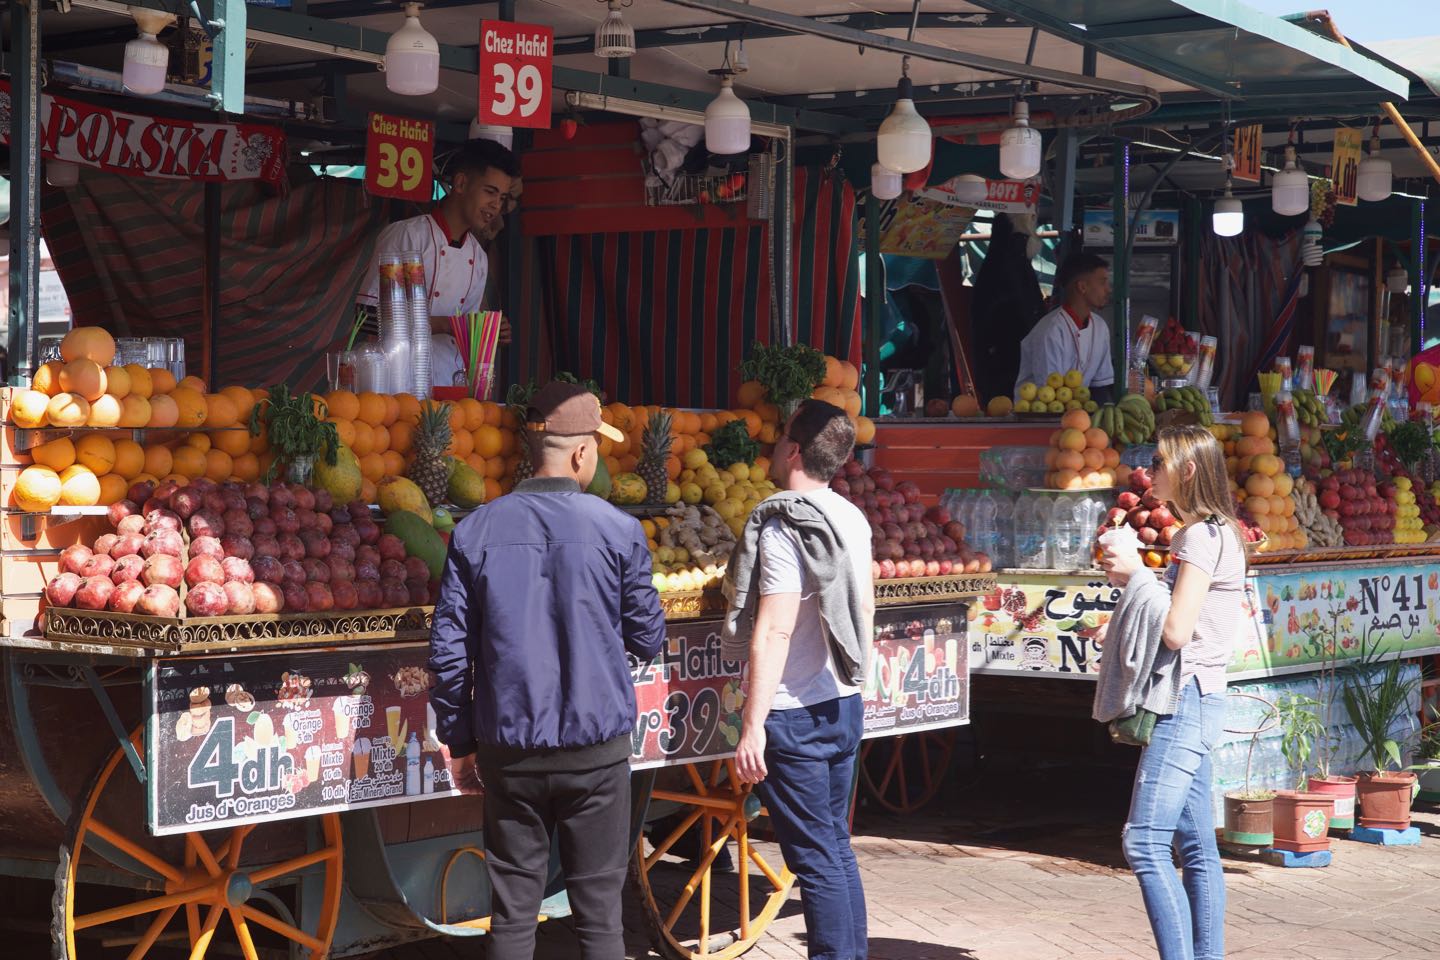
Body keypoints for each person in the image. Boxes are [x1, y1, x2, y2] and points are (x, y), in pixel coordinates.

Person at [427, 381, 666, 960]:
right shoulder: (619, 530)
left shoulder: (475, 531)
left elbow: (450, 652)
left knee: (511, 917)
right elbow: (648, 638)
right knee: (600, 918)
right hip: (596, 755)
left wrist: (459, 740)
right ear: (583, 453)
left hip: (510, 753)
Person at [721, 399, 875, 960]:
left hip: (796, 712)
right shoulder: (849, 516)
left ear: (792, 448)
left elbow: (774, 631)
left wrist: (752, 724)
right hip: (841, 702)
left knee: (816, 859)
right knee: (834, 849)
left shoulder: (786, 523)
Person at [1097, 424, 1246, 960]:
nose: (1149, 470)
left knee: (1143, 841)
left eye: (1159, 462)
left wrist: (1138, 575)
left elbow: (1178, 632)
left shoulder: (1202, 537)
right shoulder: (1215, 531)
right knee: (1197, 848)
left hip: (1185, 699)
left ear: (1186, 470)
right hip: (1201, 697)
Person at [357, 138, 520, 391]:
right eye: (490, 192)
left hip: (449, 388)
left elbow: (466, 337)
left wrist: (485, 334)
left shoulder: (479, 258)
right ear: (461, 183)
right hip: (394, 389)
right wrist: (448, 325)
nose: (496, 205)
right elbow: (366, 318)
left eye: (502, 197)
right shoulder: (407, 237)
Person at [1014, 252, 1117, 402]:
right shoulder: (1051, 331)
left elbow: (1100, 384)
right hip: (1039, 416)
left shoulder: (1100, 327)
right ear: (1082, 287)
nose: (1108, 289)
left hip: (1078, 413)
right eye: (1102, 282)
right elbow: (1049, 392)